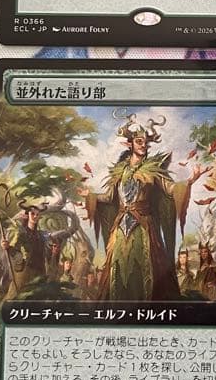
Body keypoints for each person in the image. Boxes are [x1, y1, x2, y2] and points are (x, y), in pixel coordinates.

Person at [80, 115, 207, 301]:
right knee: (117, 265)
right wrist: (90, 195)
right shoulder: (120, 172)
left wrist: (190, 181)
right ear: (129, 144)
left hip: (143, 226)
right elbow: (108, 197)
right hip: (120, 227)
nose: (143, 145)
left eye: (145, 142)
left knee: (143, 264)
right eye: (139, 141)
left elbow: (171, 189)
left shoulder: (152, 170)